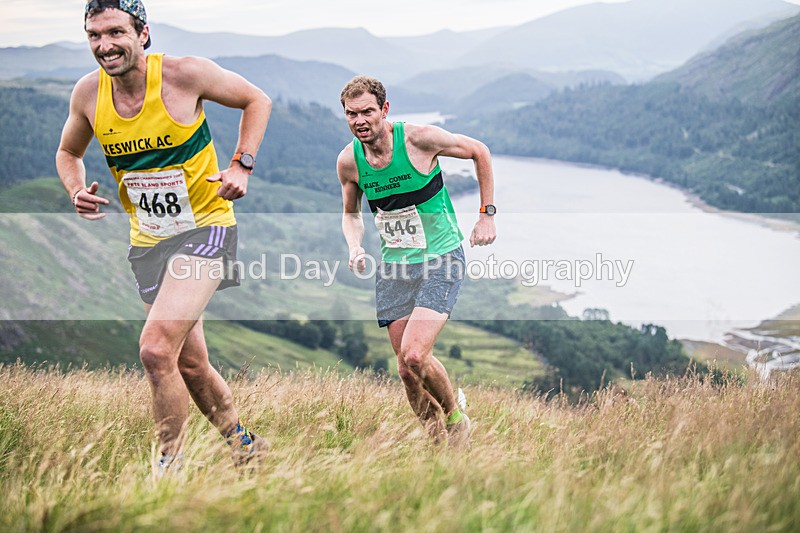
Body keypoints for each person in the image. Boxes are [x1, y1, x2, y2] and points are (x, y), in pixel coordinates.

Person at [56, 0, 272, 469]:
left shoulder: (183, 75)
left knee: (155, 350)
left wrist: (241, 163)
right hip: (149, 241)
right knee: (189, 364)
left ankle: (167, 471)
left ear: (143, 34)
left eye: (115, 32)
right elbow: (68, 151)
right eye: (94, 35)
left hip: (207, 229)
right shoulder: (88, 95)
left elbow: (258, 99)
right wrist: (75, 189)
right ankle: (245, 445)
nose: (104, 45)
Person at [337, 76, 496, 448]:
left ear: (384, 110)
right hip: (395, 265)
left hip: (441, 257)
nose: (360, 121)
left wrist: (486, 214)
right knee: (407, 370)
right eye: (351, 114)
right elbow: (351, 214)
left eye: (367, 112)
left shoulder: (418, 139)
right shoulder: (349, 161)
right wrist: (354, 246)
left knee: (414, 353)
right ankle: (436, 443)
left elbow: (480, 151)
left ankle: (456, 420)